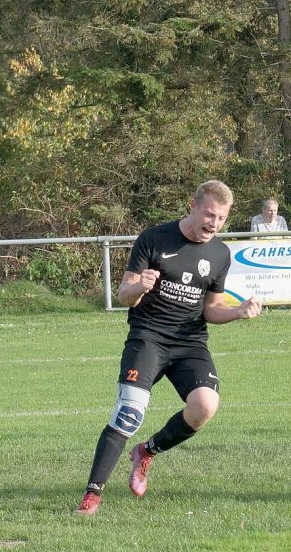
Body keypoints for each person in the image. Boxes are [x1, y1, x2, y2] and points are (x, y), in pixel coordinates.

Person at [75, 180, 262, 516]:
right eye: (209, 214)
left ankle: (147, 451)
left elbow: (210, 309)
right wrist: (140, 287)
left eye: (221, 219)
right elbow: (124, 294)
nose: (213, 223)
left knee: (206, 405)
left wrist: (237, 312)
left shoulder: (220, 254)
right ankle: (92, 495)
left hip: (189, 342)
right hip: (148, 336)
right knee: (129, 413)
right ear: (193, 206)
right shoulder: (155, 238)